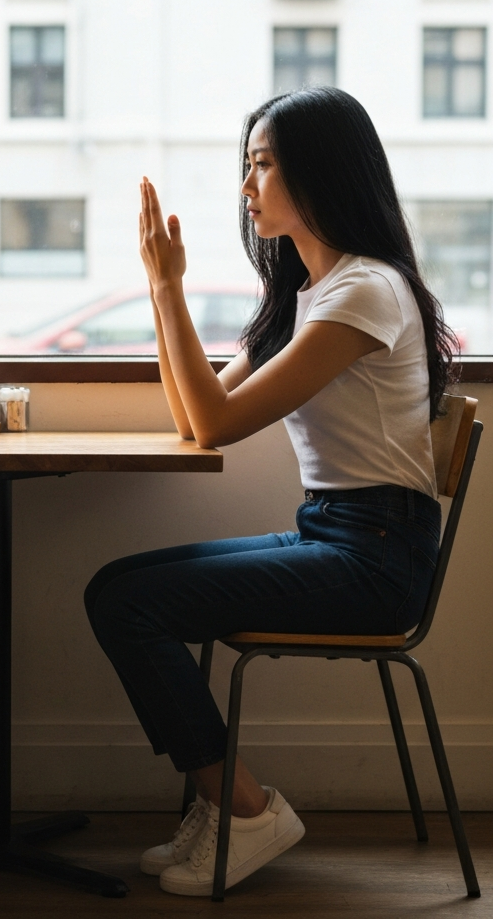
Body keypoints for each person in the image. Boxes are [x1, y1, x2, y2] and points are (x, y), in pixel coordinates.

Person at [84, 86, 456, 896]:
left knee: (127, 605)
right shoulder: (306, 295)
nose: (245, 187)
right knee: (116, 589)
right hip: (336, 533)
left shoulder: (366, 291)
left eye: (261, 165)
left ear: (320, 173)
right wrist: (161, 294)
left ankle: (243, 810)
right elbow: (195, 414)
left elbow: (212, 426)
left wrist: (166, 289)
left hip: (377, 558)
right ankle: (228, 807)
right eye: (245, 167)